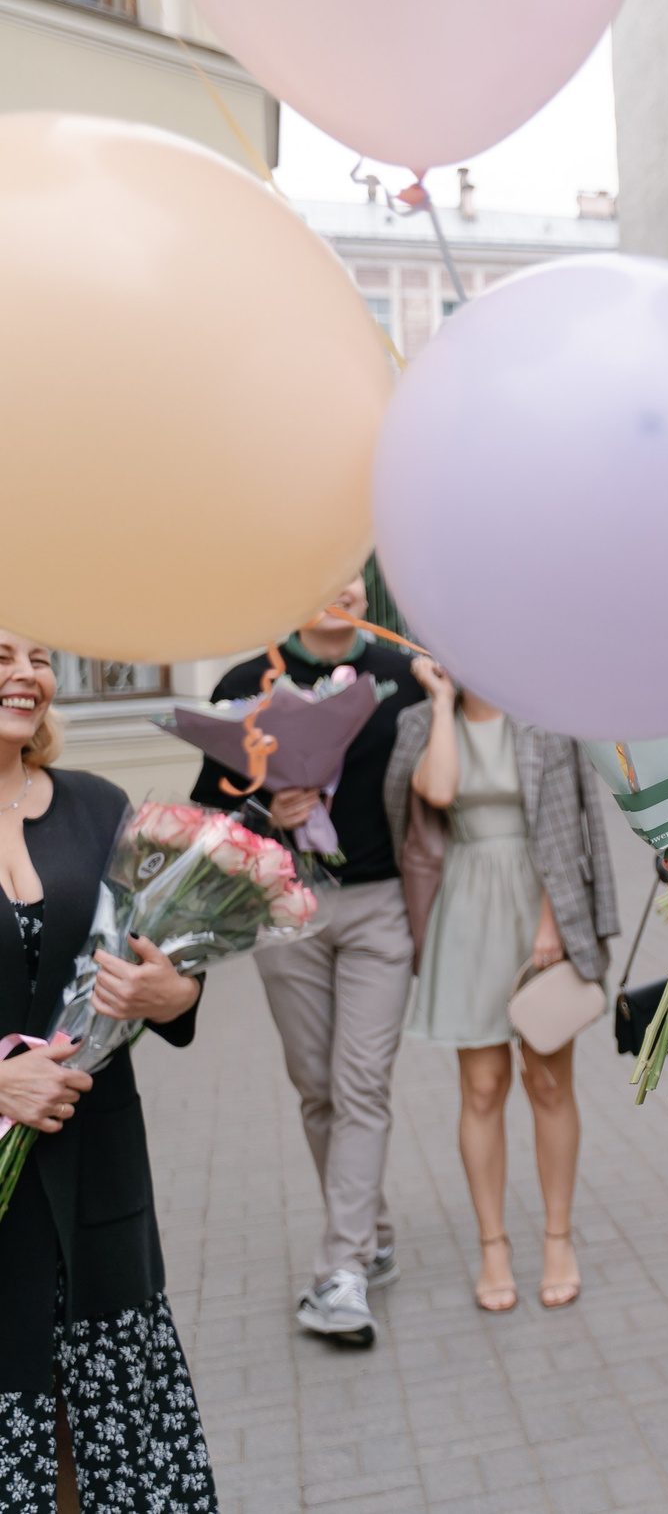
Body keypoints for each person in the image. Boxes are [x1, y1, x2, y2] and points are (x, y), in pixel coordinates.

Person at [0, 630, 217, 1510]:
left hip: (98, 1179)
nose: (26, 675)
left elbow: (159, 967)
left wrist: (172, 991)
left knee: (114, 1448)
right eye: (0, 654)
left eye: (40, 656)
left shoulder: (98, 806)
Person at [190, 580, 426, 1346]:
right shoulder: (243, 683)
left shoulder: (402, 676)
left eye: (347, 568)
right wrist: (268, 810)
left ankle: (340, 1271)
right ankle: (371, 1229)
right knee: (317, 1084)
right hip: (284, 909)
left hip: (380, 906)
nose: (335, 585)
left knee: (360, 1080)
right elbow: (209, 817)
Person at [384, 662, 621, 1314]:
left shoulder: (547, 720)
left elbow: (574, 822)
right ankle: (493, 1246)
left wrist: (552, 921)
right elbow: (437, 791)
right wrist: (438, 703)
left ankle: (556, 1237)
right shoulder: (420, 721)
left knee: (548, 1079)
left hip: (537, 905)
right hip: (465, 910)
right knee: (482, 1086)